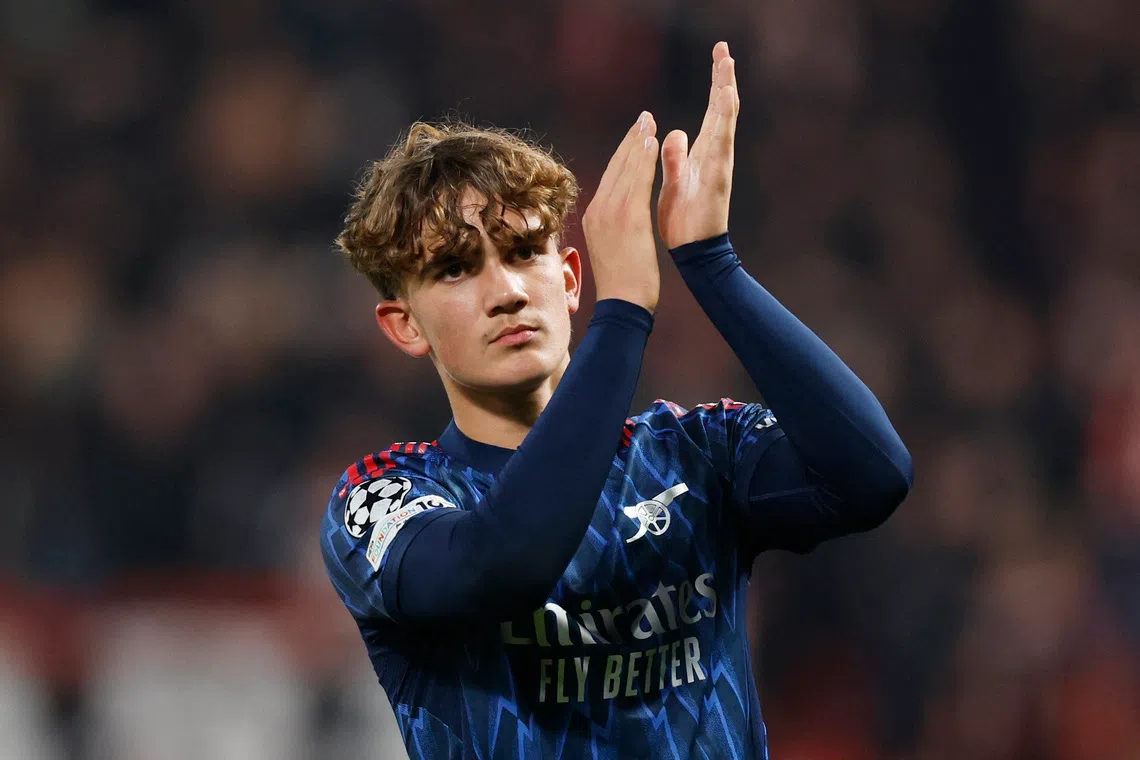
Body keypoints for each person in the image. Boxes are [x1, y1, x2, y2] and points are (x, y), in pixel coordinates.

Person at [320, 41, 913, 759]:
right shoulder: (380, 497)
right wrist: (624, 311)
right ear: (404, 324)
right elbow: (499, 567)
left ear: (570, 279)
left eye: (523, 251)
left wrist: (712, 266)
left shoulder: (693, 454)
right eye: (454, 269)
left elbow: (873, 475)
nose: (506, 291)